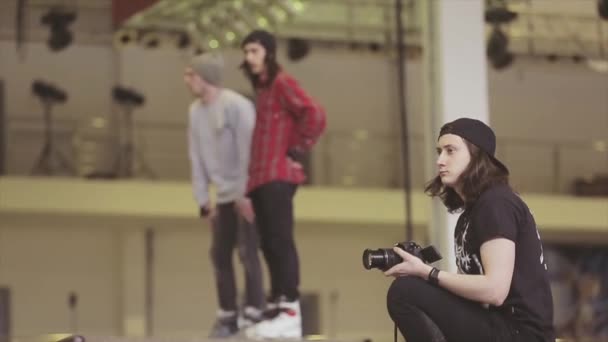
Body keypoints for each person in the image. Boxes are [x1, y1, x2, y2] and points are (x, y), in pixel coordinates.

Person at [385, 118, 555, 342]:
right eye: (439, 152)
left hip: (519, 333)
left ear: (476, 156)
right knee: (413, 287)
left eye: (450, 151)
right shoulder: (470, 215)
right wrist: (422, 274)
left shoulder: (496, 203)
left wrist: (427, 273)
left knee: (404, 291)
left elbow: (495, 291)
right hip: (497, 325)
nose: (440, 161)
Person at [239, 29, 327, 339]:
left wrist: (298, 148)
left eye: (253, 51)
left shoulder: (281, 82)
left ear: (268, 52)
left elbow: (314, 113)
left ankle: (290, 307)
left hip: (278, 176)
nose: (248, 57)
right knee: (267, 244)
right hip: (261, 178)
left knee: (279, 240)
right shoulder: (262, 90)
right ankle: (278, 306)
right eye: (246, 52)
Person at [184, 52, 265, 338]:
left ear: (205, 76)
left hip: (248, 191)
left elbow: (250, 152)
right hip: (224, 195)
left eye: (191, 74)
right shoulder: (195, 112)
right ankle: (228, 314)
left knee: (247, 251)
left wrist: (248, 194)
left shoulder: (237, 107)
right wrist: (203, 201)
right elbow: (196, 157)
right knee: (219, 254)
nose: (187, 80)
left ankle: (255, 310)